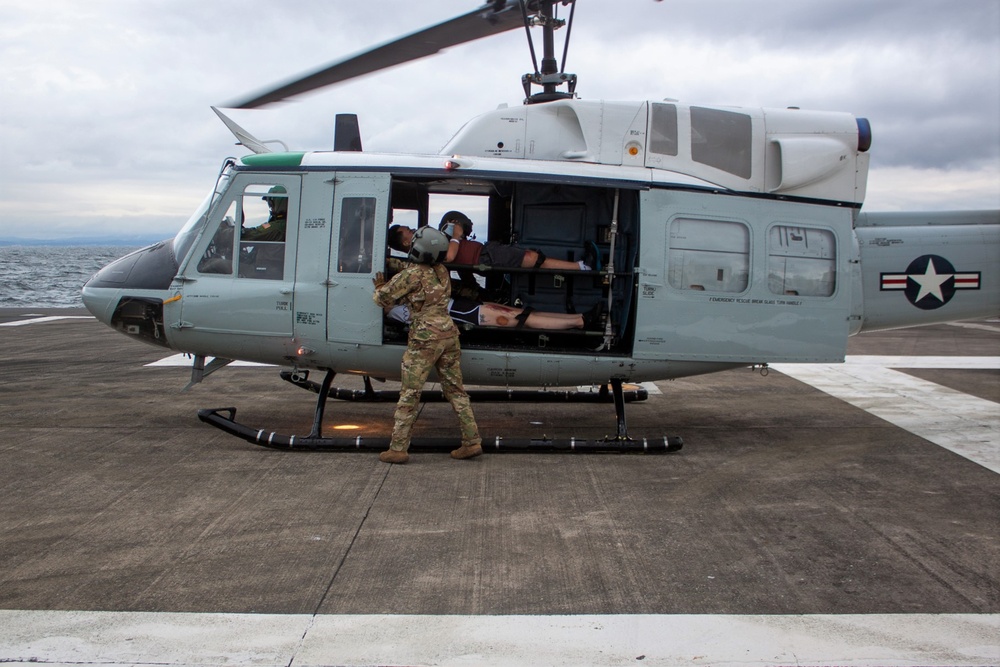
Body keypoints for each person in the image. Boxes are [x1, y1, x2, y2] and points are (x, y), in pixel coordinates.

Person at [373, 226, 482, 464]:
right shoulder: (441, 270)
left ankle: (398, 448)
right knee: (456, 391)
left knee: (410, 393)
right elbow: (416, 272)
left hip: (425, 337)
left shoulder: (411, 275)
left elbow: (383, 299)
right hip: (448, 334)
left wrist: (380, 287)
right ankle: (472, 442)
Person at [387, 211, 598, 273]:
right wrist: (456, 235)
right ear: (404, 243)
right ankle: (581, 267)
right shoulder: (421, 253)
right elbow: (450, 256)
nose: (412, 230)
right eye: (407, 231)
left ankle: (580, 266)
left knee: (531, 257)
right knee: (532, 258)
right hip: (486, 257)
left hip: (485, 252)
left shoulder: (425, 246)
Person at [383, 292, 603, 331]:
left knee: (522, 313)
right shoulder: (395, 312)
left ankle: (578, 318)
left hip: (465, 308)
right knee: (523, 319)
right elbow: (415, 315)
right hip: (466, 314)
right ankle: (581, 322)